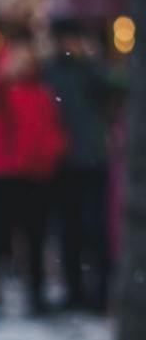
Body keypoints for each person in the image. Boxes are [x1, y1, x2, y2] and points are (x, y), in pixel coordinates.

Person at [0, 35, 67, 319]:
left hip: (36, 176)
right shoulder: (2, 89)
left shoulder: (41, 92)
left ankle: (36, 296)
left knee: (36, 239)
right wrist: (2, 74)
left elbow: (53, 129)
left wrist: (53, 152)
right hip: (5, 175)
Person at [41, 19, 115, 313]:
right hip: (63, 163)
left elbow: (113, 86)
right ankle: (75, 291)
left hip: (93, 160)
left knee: (95, 230)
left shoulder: (91, 70)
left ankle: (100, 293)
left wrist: (93, 60)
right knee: (68, 231)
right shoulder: (51, 72)